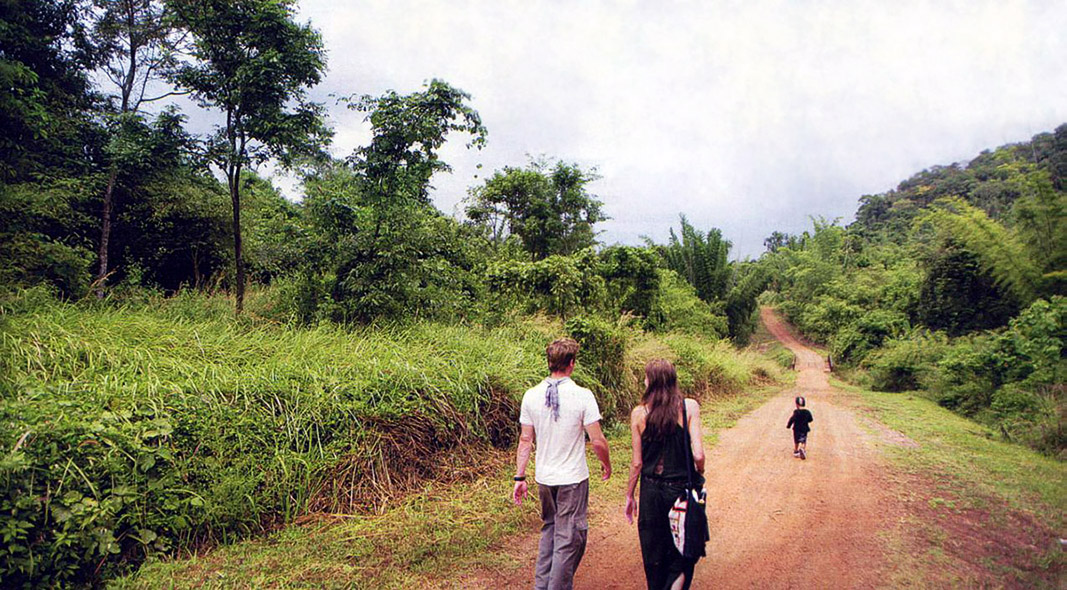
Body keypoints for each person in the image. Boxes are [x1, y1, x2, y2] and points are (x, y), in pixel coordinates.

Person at [513, 338, 612, 590]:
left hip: (544, 478)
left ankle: (541, 586)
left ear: (549, 362)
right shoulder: (582, 396)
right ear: (571, 363)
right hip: (572, 479)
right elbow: (597, 439)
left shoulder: (531, 395)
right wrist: (606, 464)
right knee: (570, 538)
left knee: (550, 530)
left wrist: (520, 477)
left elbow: (526, 439)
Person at [624, 359, 705, 590]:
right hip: (680, 490)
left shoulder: (639, 413)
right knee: (683, 548)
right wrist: (700, 472)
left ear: (650, 382)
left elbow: (637, 463)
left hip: (650, 491)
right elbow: (698, 454)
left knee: (653, 552)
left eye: (645, 377)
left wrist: (630, 496)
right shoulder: (689, 407)